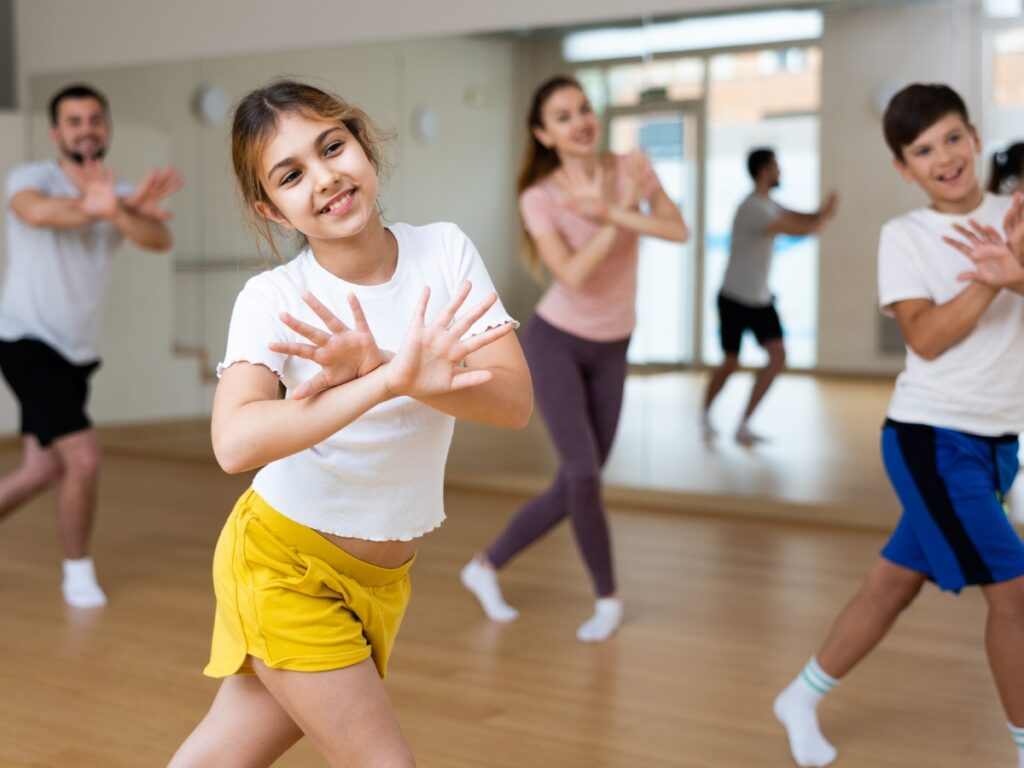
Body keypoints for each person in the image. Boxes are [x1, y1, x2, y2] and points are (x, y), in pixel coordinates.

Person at [168, 80, 531, 767]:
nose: (326, 177)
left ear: (363, 144)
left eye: (333, 146)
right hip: (282, 566)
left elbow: (512, 403)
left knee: (221, 756)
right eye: (292, 174)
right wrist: (382, 383)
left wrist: (393, 364)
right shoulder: (276, 297)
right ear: (270, 209)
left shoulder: (443, 252)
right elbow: (234, 441)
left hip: (379, 580)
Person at [773, 83, 1024, 768]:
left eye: (951, 138)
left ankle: (799, 695)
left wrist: (1019, 272)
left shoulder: (1017, 212)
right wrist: (993, 278)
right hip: (931, 439)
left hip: (1000, 443)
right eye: (923, 150)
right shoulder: (904, 237)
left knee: (892, 584)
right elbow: (926, 339)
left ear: (973, 135)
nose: (943, 157)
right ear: (903, 168)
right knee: (1016, 593)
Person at [459, 74, 688, 643]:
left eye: (583, 109)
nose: (580, 121)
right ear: (544, 133)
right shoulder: (540, 196)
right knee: (584, 475)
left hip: (615, 345)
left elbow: (677, 229)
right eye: (562, 116)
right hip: (555, 342)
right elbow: (573, 275)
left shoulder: (628, 167)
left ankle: (485, 566)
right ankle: (608, 598)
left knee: (577, 481)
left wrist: (614, 208)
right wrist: (620, 214)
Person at [0, 83, 181, 607]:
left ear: (107, 128)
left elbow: (158, 239)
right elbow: (37, 213)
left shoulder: (120, 191)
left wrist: (120, 209)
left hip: (75, 353)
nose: (86, 129)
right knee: (83, 459)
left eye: (94, 120)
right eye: (74, 121)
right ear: (57, 133)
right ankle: (77, 573)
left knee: (42, 469)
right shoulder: (32, 178)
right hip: (25, 339)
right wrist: (108, 206)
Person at [702, 148, 837, 445]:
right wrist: (821, 223)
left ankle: (744, 424)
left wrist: (822, 213)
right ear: (764, 170)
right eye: (776, 166)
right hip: (734, 297)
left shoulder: (769, 204)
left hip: (760, 299)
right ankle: (705, 414)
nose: (780, 171)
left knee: (778, 356)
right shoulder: (751, 207)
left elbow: (802, 215)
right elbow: (794, 229)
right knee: (731, 363)